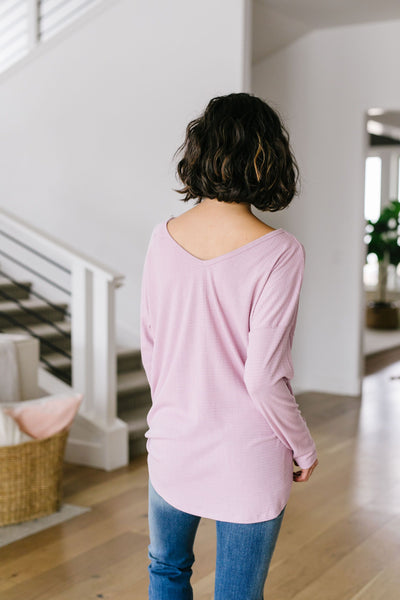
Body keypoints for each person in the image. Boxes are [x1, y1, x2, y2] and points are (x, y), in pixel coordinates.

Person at [140, 92, 318, 600]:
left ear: (200, 151)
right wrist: (303, 447)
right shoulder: (280, 252)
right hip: (248, 454)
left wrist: (177, 411)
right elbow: (263, 377)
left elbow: (152, 347)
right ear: (268, 159)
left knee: (167, 571)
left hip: (172, 441)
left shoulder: (162, 237)